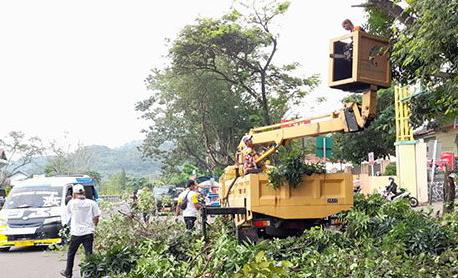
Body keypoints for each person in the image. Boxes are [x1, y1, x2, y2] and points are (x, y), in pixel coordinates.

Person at [61, 184, 101, 278]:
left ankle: (68, 273)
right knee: (89, 254)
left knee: (71, 253)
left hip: (76, 233)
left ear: (74, 194)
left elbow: (67, 216)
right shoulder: (92, 203)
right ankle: (90, 273)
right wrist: (94, 226)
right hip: (88, 232)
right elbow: (96, 217)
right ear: (84, 192)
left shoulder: (71, 203)